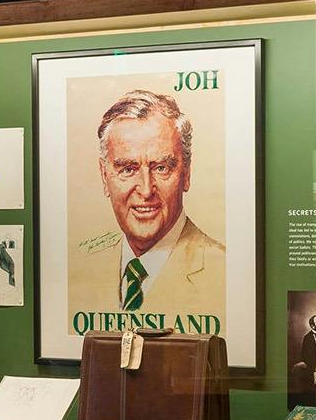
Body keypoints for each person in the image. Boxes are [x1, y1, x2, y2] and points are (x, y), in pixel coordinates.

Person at [92, 90, 224, 316]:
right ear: (105, 177)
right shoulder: (84, 266)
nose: (146, 190)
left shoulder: (223, 269)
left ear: (186, 174)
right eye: (128, 169)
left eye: (161, 168)